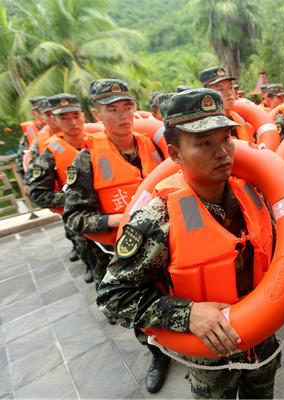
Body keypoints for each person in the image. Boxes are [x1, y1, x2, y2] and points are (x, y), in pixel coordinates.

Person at [97, 88, 281, 399]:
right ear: (175, 155)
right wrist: (188, 313)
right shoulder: (157, 218)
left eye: (225, 137)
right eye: (204, 143)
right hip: (208, 355)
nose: (222, 152)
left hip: (262, 339)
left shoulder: (254, 193)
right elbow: (112, 297)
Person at [63, 78, 168, 394]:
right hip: (125, 256)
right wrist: (119, 218)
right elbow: (74, 218)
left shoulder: (154, 145)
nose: (123, 116)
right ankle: (157, 356)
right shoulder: (86, 160)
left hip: (169, 246)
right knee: (142, 312)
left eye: (127, 107)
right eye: (112, 109)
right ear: (97, 114)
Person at [27, 94, 100, 283]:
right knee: (99, 266)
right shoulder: (48, 155)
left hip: (112, 214)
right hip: (82, 222)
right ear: (53, 119)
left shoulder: (102, 142)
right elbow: (38, 194)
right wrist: (75, 199)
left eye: (76, 115)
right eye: (64, 118)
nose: (72, 122)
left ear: (84, 116)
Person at [198, 66, 255, 143]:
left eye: (230, 87)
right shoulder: (204, 127)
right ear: (207, 95)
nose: (229, 93)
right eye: (220, 89)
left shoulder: (239, 119)